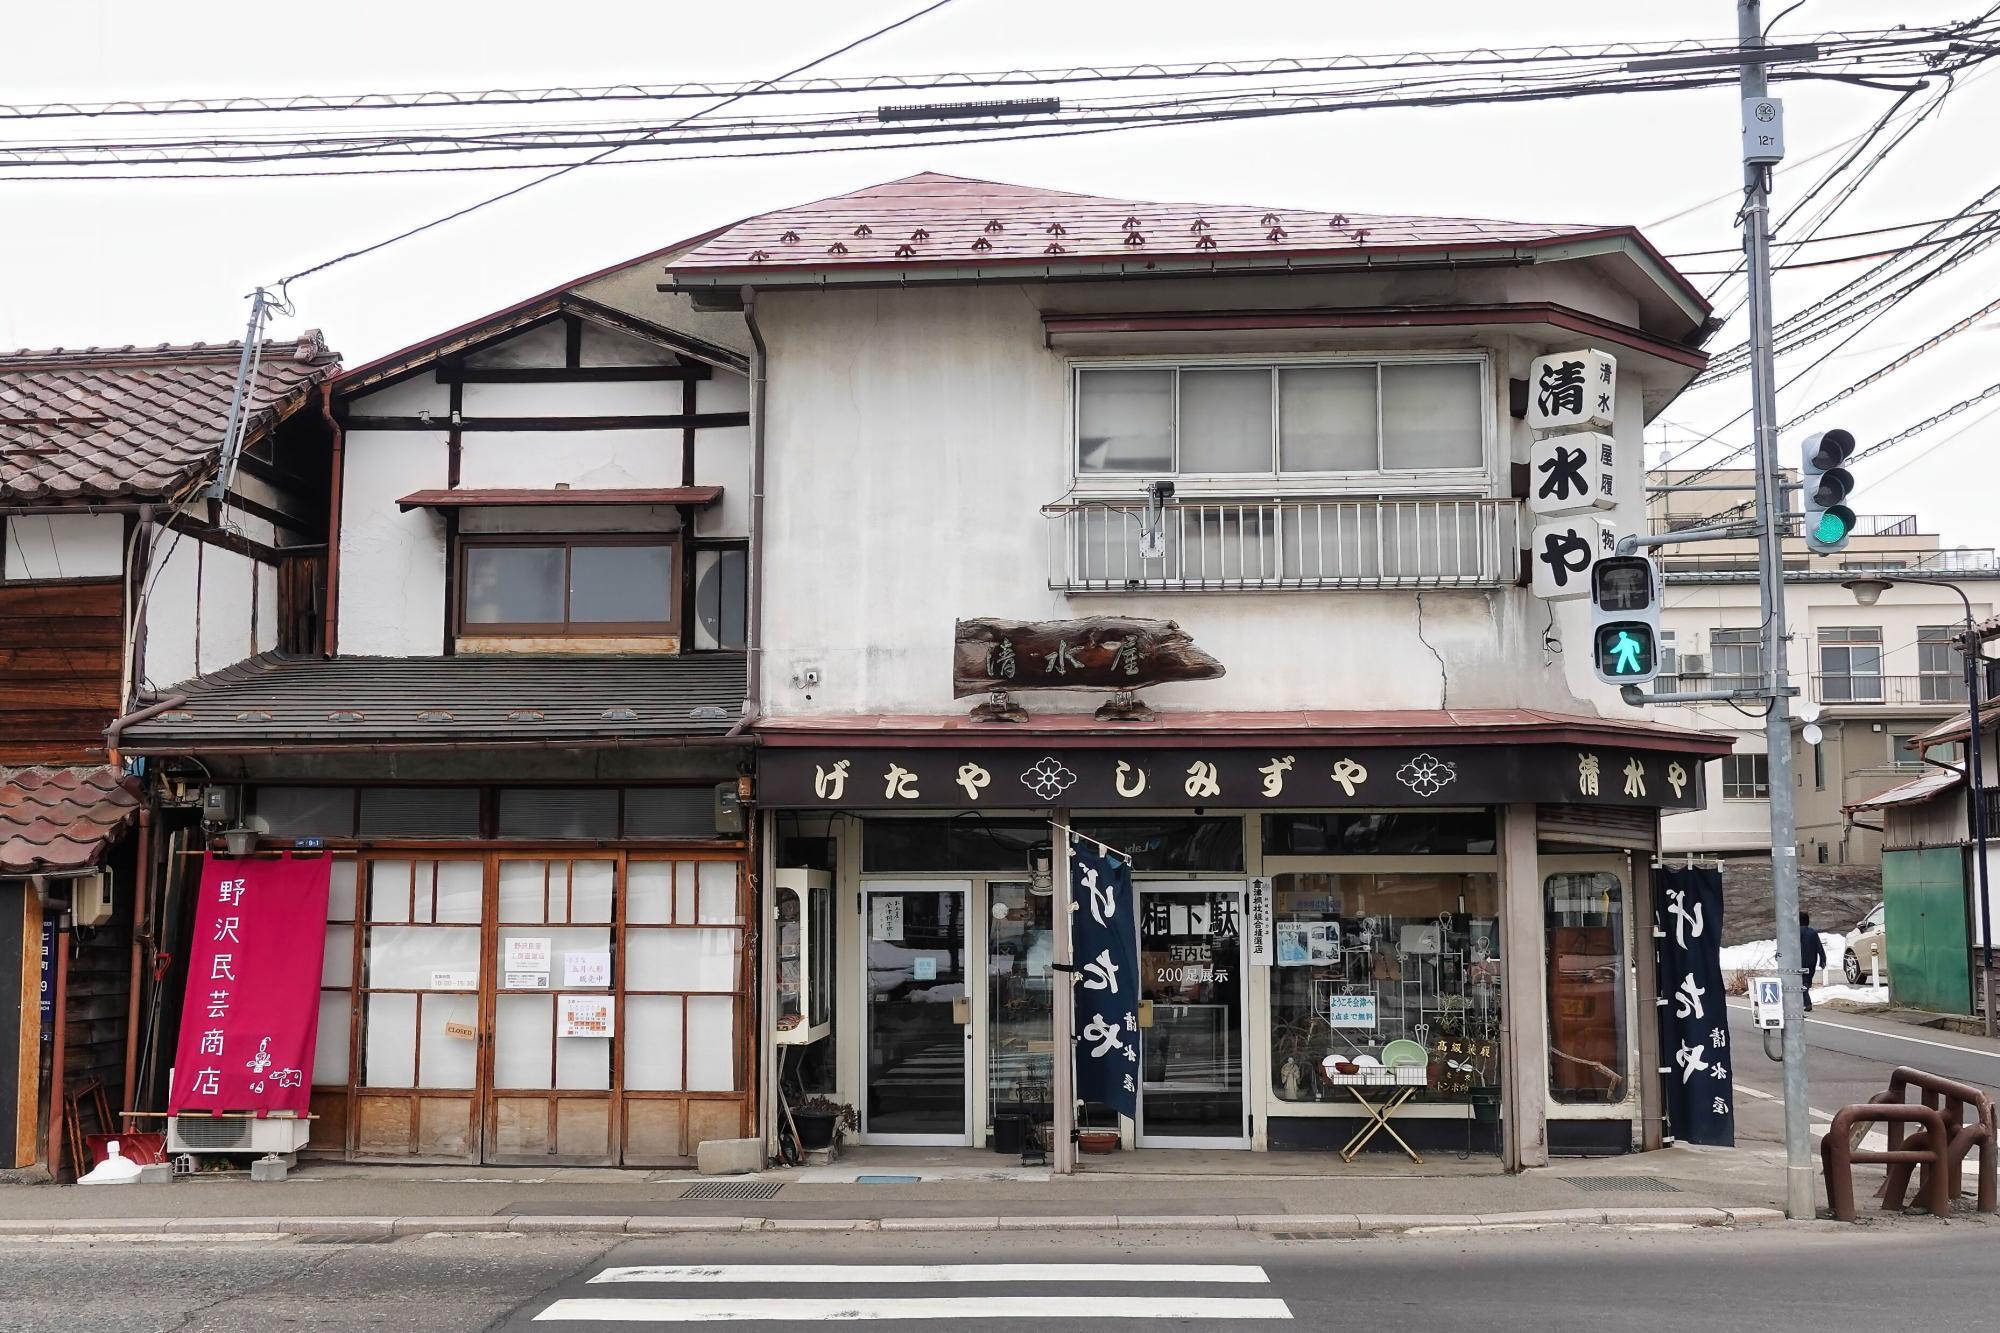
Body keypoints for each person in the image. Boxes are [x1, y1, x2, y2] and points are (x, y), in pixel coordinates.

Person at [1800, 913, 1827, 1013]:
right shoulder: (1812, 932)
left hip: (1798, 962)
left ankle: (1807, 1003)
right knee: (1806, 982)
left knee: (1800, 983)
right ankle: (1806, 1002)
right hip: (1811, 962)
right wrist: (1822, 960)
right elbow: (1819, 947)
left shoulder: (1794, 932)